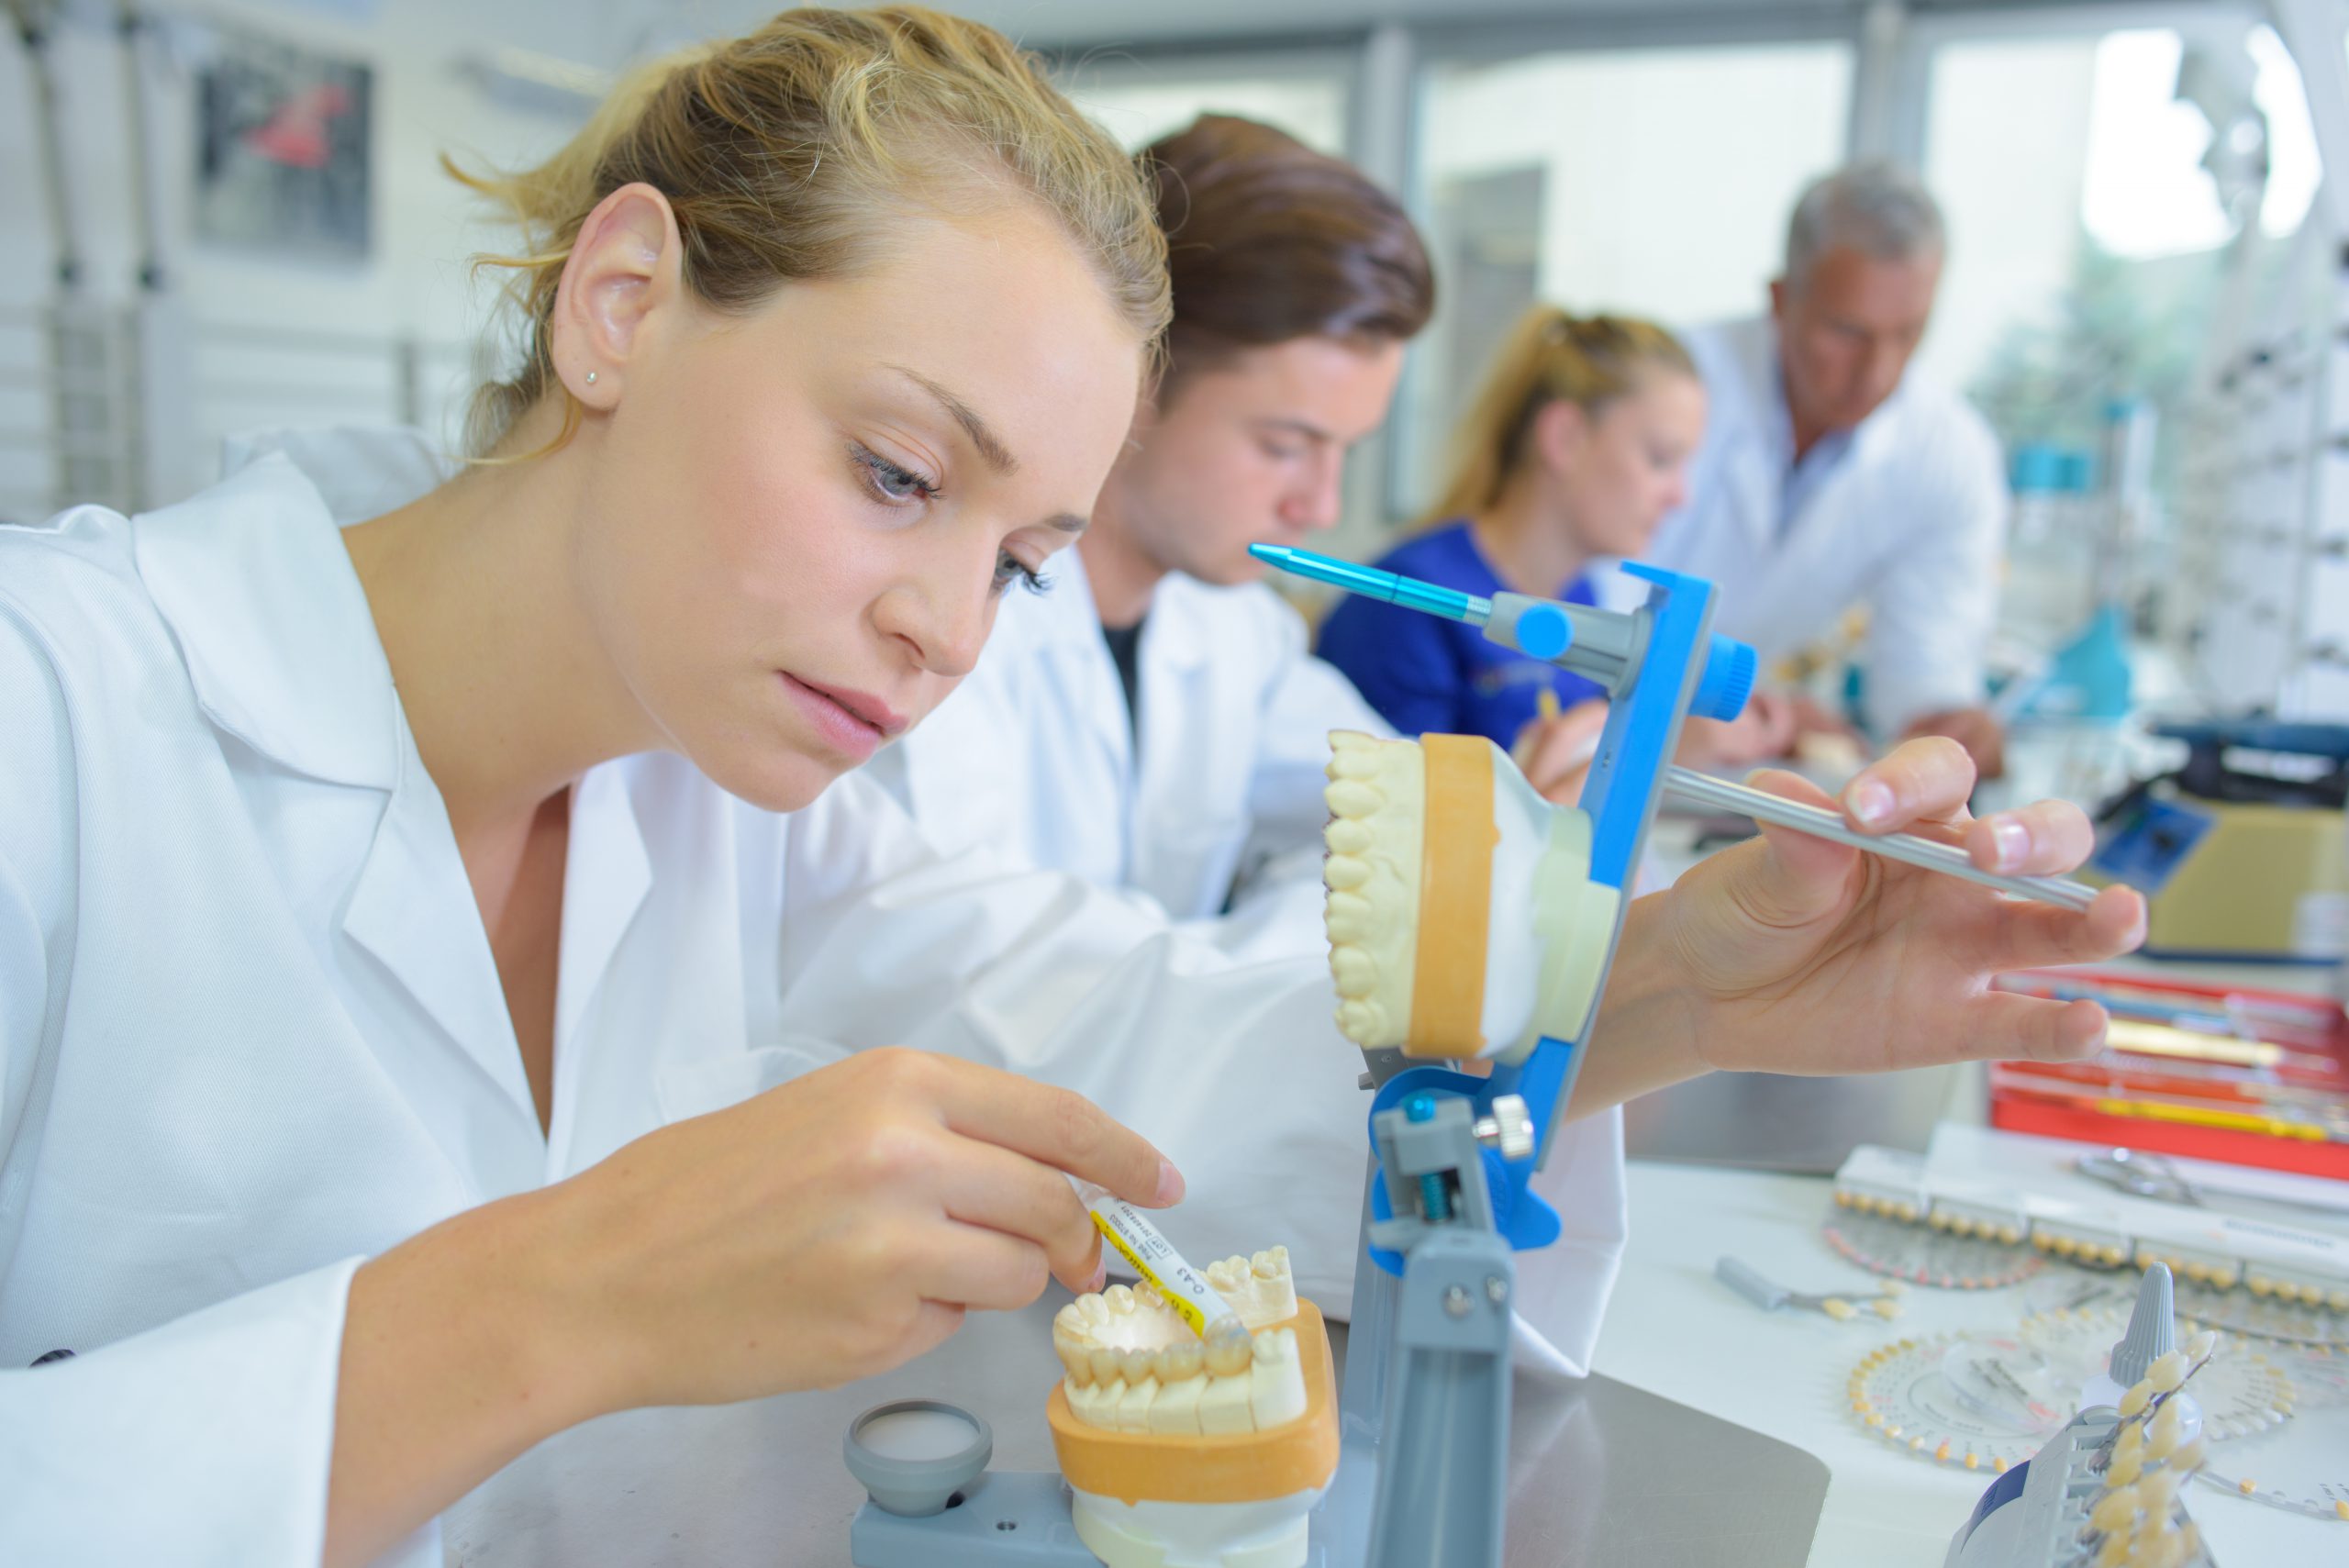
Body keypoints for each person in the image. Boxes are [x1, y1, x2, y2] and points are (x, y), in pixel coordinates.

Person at [0, 14, 2144, 1565]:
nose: (947, 629)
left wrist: (1671, 982)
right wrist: (554, 1299)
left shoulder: (724, 785)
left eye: (1016, 557)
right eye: (895, 474)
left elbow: (1118, 1027)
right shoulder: (57, 724)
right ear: (625, 302)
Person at [867, 115, 1421, 923]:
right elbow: (979, 968)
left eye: (1346, 451)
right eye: (1285, 444)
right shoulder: (948, 624)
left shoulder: (1237, 628)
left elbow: (1403, 820)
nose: (1321, 506)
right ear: (1136, 381)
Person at [1620, 161, 2011, 776]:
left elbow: (1925, 669)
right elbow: (1584, 605)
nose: (1877, 373)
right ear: (1781, 300)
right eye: (1847, 332)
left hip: (1725, 774)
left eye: (1908, 334)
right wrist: (1743, 703)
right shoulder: (1667, 388)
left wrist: (1946, 724)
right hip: (1591, 739)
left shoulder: (1949, 452)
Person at [1315, 307, 1709, 799]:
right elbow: (1388, 828)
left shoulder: (1582, 597)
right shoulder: (1407, 605)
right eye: (1660, 460)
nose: (1680, 496)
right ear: (1565, 438)